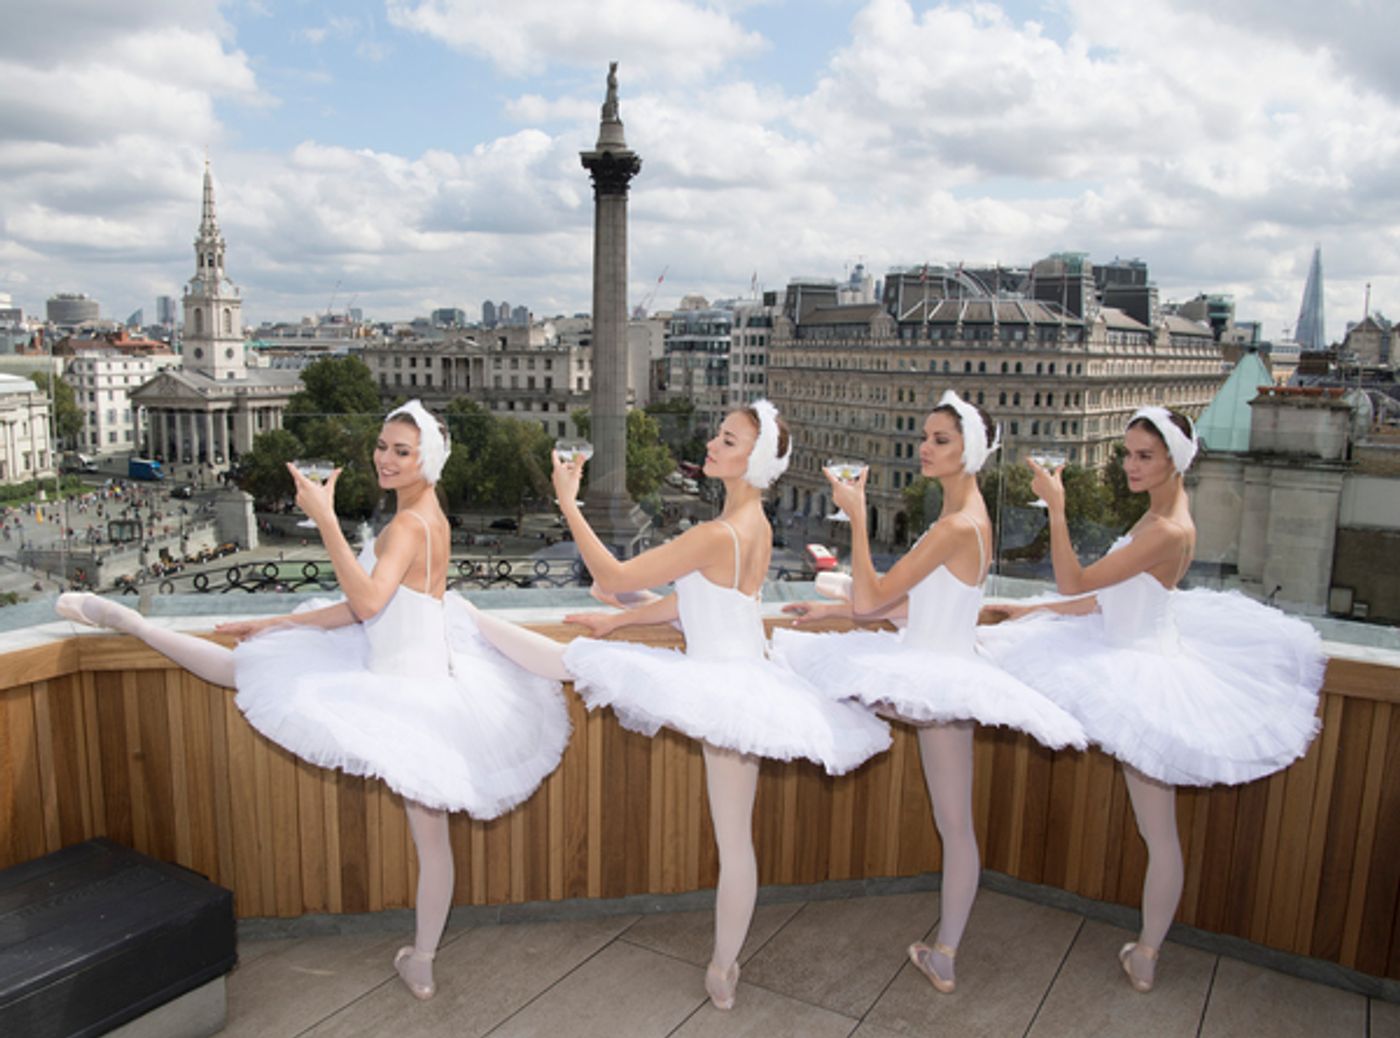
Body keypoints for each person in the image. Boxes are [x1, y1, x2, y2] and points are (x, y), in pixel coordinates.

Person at [55, 400, 570, 1001]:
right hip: (426, 678)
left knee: (238, 672)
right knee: (431, 842)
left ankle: (130, 622)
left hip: (398, 684)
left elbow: (371, 602)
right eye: (382, 445)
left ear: (427, 458)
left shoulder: (405, 525)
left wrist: (325, 519)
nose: (384, 458)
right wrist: (281, 621)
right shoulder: (429, 514)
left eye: (401, 451)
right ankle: (423, 962)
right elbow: (378, 605)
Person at [470, 400, 891, 1012]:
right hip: (747, 675)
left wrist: (567, 500)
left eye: (729, 440)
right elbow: (695, 600)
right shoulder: (756, 528)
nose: (713, 445)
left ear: (756, 461)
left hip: (719, 682)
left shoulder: (713, 533)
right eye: (718, 435)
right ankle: (724, 970)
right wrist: (626, 620)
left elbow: (611, 572)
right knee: (735, 838)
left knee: (573, 663)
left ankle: (464, 620)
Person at [978, 407, 1323, 992]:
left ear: (1174, 462)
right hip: (1121, 647)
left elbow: (1078, 584)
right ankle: (1146, 952)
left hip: (1143, 674)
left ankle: (1149, 952)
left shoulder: (1168, 529)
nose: (1131, 466)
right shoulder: (1158, 516)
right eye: (1128, 454)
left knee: (1158, 833)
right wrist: (1030, 610)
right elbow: (1097, 600)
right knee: (1156, 830)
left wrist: (1057, 507)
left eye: (1145, 456)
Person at [772, 391, 1085, 995]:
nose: (923, 448)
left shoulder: (955, 525)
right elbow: (915, 605)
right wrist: (836, 607)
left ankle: (946, 952)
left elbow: (874, 597)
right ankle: (944, 953)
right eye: (924, 437)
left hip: (931, 674)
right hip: (945, 670)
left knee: (805, 687)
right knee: (955, 822)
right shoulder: (971, 520)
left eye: (940, 440)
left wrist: (857, 517)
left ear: (970, 451)